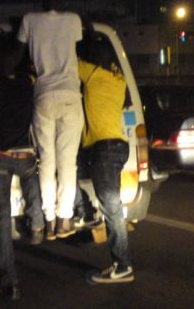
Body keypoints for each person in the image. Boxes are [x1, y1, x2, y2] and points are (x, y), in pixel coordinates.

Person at [0, 21, 44, 301]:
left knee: (1, 218)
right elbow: (29, 66)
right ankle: (37, 222)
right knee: (32, 176)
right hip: (25, 156)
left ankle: (10, 281)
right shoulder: (27, 86)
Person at [15, 0, 84, 240]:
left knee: (47, 161)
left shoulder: (29, 21)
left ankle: (48, 218)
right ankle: (64, 220)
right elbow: (80, 44)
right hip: (70, 95)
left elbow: (19, 56)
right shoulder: (73, 20)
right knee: (68, 162)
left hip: (42, 95)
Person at [78, 36, 134, 283]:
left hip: (105, 149)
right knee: (114, 208)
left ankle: (122, 266)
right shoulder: (118, 79)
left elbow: (67, 62)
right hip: (118, 147)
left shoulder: (92, 74)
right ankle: (86, 213)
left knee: (112, 210)